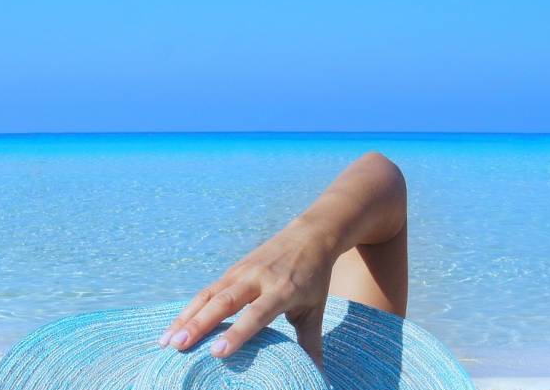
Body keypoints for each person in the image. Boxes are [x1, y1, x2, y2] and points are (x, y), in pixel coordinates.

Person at [156, 152, 408, 365]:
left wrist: (308, 238)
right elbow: (382, 175)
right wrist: (311, 240)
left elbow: (380, 173)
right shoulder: (357, 372)